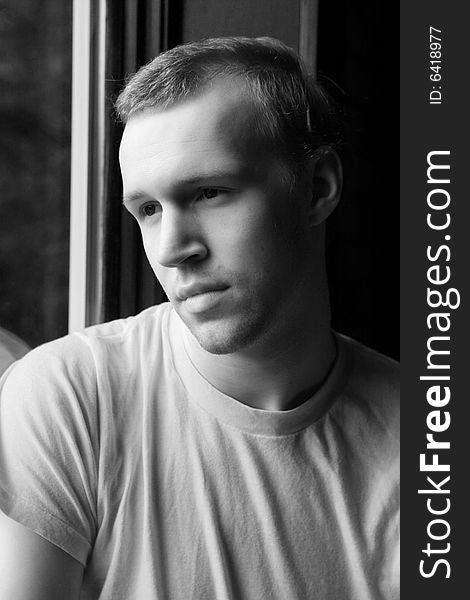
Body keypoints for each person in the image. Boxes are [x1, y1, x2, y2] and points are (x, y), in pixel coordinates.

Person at [0, 37, 399, 599]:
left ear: (318, 187)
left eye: (210, 192)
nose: (170, 248)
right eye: (148, 209)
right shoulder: (68, 399)